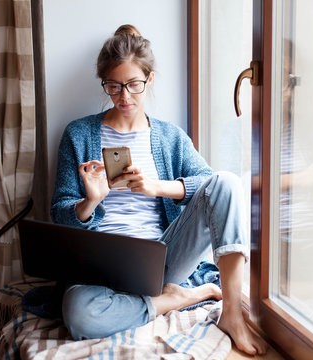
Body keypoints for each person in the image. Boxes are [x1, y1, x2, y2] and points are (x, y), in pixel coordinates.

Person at [50, 24, 266, 355]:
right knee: (80, 314)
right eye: (114, 86)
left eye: (134, 85)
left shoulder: (169, 137)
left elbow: (210, 187)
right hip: (100, 268)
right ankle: (174, 298)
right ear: (104, 83)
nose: (124, 96)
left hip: (163, 256)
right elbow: (59, 212)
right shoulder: (79, 134)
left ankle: (232, 314)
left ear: (149, 80)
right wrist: (89, 203)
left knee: (228, 182)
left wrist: (158, 187)